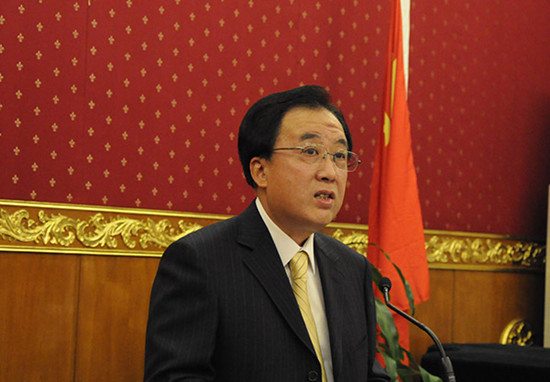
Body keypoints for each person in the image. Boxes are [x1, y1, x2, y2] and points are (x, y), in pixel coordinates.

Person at [144, 85, 389, 382]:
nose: (330, 172)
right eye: (311, 151)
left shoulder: (351, 268)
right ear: (261, 171)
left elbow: (369, 374)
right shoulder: (200, 261)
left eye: (339, 156)